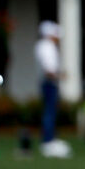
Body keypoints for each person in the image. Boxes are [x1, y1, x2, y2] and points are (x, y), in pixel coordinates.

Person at [33, 20, 71, 158]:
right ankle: (48, 142)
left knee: (50, 111)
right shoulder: (46, 46)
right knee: (49, 112)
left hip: (49, 83)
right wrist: (61, 75)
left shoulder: (45, 46)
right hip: (49, 83)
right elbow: (49, 70)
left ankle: (50, 140)